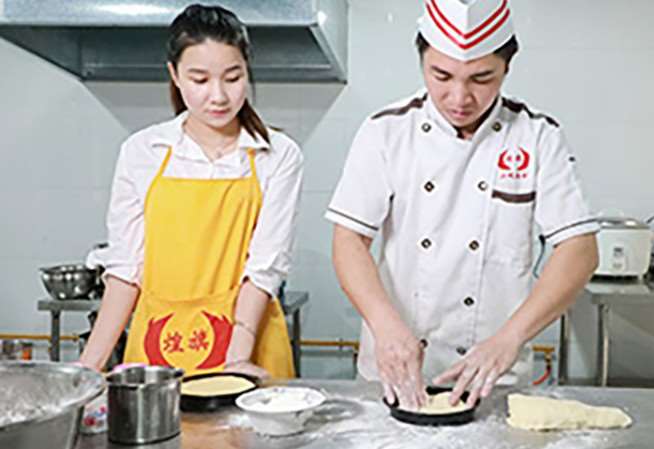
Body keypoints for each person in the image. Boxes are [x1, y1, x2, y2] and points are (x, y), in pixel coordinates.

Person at [327, 0, 599, 409]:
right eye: (441, 75)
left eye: (481, 78)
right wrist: (384, 325)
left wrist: (511, 337)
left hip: (494, 378)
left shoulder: (536, 136)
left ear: (507, 67)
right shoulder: (386, 131)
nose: (459, 97)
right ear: (422, 62)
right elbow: (349, 239)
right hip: (396, 371)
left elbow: (579, 249)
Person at [79, 4, 303, 379]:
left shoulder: (277, 154)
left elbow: (265, 269)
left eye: (233, 78)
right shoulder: (143, 152)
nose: (218, 96)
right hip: (157, 351)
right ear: (175, 75)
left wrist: (236, 359)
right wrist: (87, 369)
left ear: (247, 71)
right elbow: (125, 269)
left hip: (248, 344)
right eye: (199, 80)